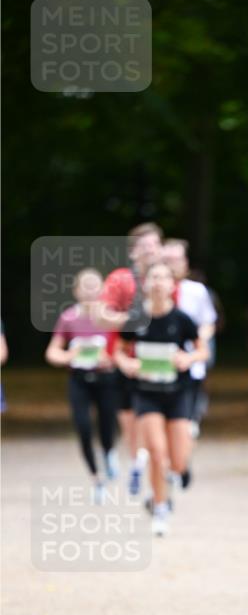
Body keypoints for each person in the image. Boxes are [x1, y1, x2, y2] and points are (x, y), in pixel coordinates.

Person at [114, 261, 208, 536]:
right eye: (152, 277)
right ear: (145, 285)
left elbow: (202, 352)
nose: (157, 282)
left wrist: (187, 357)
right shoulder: (135, 319)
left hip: (178, 393)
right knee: (156, 451)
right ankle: (160, 506)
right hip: (146, 394)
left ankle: (172, 476)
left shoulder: (182, 320)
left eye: (163, 277)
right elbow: (119, 350)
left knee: (176, 463)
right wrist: (125, 364)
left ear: (171, 285)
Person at [100, 223, 164, 495]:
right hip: (125, 360)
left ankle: (158, 474)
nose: (151, 251)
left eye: (155, 245)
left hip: (159, 360)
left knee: (155, 421)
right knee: (130, 425)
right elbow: (101, 315)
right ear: (133, 251)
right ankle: (139, 464)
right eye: (145, 246)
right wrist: (132, 320)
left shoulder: (166, 279)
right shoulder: (120, 279)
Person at [45, 269, 119, 501]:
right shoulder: (69, 318)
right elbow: (52, 352)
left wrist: (111, 358)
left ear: (102, 290)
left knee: (107, 424)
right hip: (79, 380)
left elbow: (125, 349)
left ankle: (108, 453)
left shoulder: (112, 316)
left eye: (94, 286)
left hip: (106, 379)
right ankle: (97, 478)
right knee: (83, 427)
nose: (89, 292)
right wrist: (69, 356)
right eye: (84, 287)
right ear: (76, 291)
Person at [162, 239, 218, 454]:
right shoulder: (151, 291)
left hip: (190, 363)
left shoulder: (197, 291)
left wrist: (195, 345)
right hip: (159, 363)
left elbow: (208, 323)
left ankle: (181, 462)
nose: (172, 264)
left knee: (186, 420)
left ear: (185, 262)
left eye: (176, 259)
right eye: (167, 259)